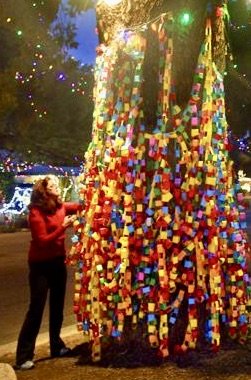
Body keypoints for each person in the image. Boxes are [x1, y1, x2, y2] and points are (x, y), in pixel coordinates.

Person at [15, 176, 80, 370]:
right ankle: (23, 356)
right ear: (44, 192)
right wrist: (63, 227)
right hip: (40, 266)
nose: (57, 187)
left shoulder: (60, 206)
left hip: (57, 262)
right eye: (52, 186)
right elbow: (42, 240)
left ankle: (56, 345)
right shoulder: (36, 213)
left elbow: (79, 206)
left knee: (57, 306)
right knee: (36, 308)